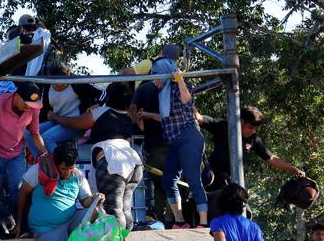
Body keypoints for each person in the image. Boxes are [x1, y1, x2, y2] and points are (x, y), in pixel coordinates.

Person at [47, 82, 142, 233]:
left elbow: (75, 123)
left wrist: (54, 116)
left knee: (114, 208)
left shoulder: (101, 112)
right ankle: (126, 238)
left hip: (112, 162)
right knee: (126, 208)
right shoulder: (128, 117)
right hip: (135, 163)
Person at [139, 60, 207, 228]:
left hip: (189, 137)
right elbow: (166, 118)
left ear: (165, 76)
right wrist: (147, 115)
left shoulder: (179, 87)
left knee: (193, 179)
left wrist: (180, 80)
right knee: (168, 179)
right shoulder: (164, 94)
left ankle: (204, 223)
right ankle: (179, 220)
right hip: (174, 141)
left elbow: (188, 102)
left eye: (157, 77)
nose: (155, 82)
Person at [0, 81, 47, 212]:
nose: (29, 107)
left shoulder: (33, 109)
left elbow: (35, 133)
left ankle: (17, 225)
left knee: (18, 189)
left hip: (16, 153)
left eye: (32, 105)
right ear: (16, 96)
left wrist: (45, 152)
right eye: (26, 104)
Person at [196, 106, 304, 187]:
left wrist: (293, 169)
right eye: (250, 127)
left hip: (233, 181)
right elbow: (200, 119)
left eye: (255, 129)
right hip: (213, 177)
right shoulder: (224, 127)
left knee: (245, 211)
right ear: (241, 122)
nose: (253, 131)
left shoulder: (253, 139)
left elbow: (271, 158)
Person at [25, 62, 103, 156]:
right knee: (28, 133)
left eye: (61, 80)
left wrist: (98, 104)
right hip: (56, 121)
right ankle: (41, 162)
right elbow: (44, 110)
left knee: (47, 137)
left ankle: (59, 165)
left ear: (68, 73)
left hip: (75, 123)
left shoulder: (78, 82)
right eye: (55, 81)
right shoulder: (47, 87)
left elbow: (103, 93)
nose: (58, 84)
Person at [130, 75, 168, 224]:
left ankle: (160, 217)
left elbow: (133, 108)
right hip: (171, 141)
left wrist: (138, 123)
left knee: (158, 183)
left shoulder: (142, 88)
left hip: (153, 142)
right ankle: (174, 219)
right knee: (174, 182)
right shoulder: (173, 86)